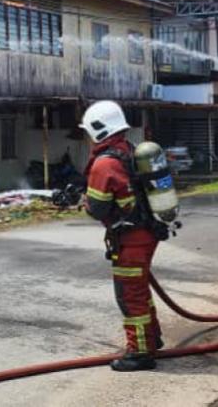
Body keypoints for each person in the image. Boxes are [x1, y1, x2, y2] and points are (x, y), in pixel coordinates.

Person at [80, 100, 167, 372]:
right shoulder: (128, 151)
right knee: (139, 289)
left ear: (97, 129)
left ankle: (140, 353)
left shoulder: (104, 164)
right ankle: (152, 338)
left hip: (131, 238)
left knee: (130, 295)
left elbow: (98, 208)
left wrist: (81, 202)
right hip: (145, 232)